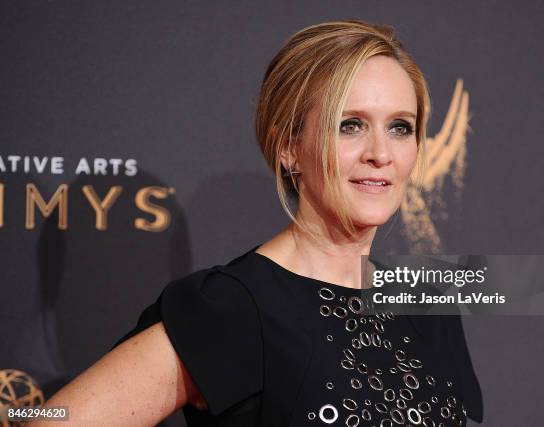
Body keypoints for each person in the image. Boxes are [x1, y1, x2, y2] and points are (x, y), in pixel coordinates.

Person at [31, 19, 482, 426]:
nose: (380, 154)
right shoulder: (236, 307)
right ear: (289, 145)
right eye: (350, 125)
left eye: (400, 127)